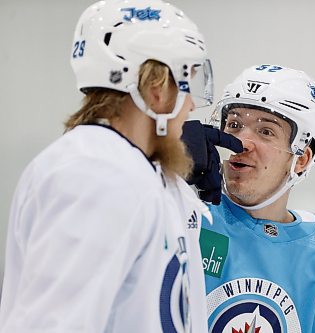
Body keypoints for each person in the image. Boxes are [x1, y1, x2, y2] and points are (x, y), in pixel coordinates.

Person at [0, 1, 214, 332]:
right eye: (187, 85)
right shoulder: (96, 176)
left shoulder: (136, 171)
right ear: (157, 91)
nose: (191, 104)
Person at [197, 64, 315, 332]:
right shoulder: (184, 216)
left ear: (301, 159)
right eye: (234, 125)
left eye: (266, 131)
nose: (242, 142)